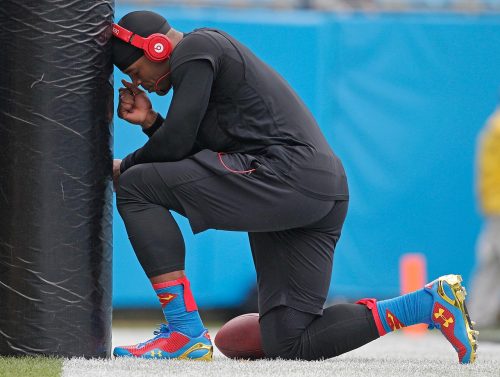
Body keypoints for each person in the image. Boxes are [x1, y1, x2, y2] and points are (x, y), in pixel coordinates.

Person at [111, 10, 478, 363]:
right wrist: (152, 122)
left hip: (285, 176)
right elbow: (188, 148)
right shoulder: (204, 60)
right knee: (290, 340)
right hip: (318, 190)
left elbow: (176, 147)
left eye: (135, 71)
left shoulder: (194, 48)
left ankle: (183, 329)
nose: (138, 83)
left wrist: (124, 165)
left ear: (156, 47)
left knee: (136, 184)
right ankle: (425, 303)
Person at [468, 107, 500, 330]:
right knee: (490, 262)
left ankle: (478, 315)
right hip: (497, 204)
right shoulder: (497, 128)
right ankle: (478, 315)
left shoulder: (493, 126)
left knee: (490, 262)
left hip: (494, 203)